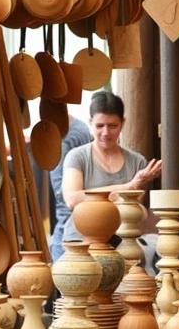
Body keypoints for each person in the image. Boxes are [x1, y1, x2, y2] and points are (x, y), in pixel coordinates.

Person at [61, 91, 162, 245]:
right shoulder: (77, 157)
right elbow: (72, 200)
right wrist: (129, 187)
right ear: (90, 123)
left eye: (113, 126)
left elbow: (133, 212)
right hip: (80, 239)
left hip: (123, 241)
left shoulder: (137, 162)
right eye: (100, 126)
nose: (106, 133)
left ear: (123, 123)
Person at [47, 114, 93, 263]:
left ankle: (60, 270)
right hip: (86, 214)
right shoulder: (81, 127)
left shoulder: (67, 136)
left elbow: (64, 199)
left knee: (65, 211)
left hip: (72, 220)